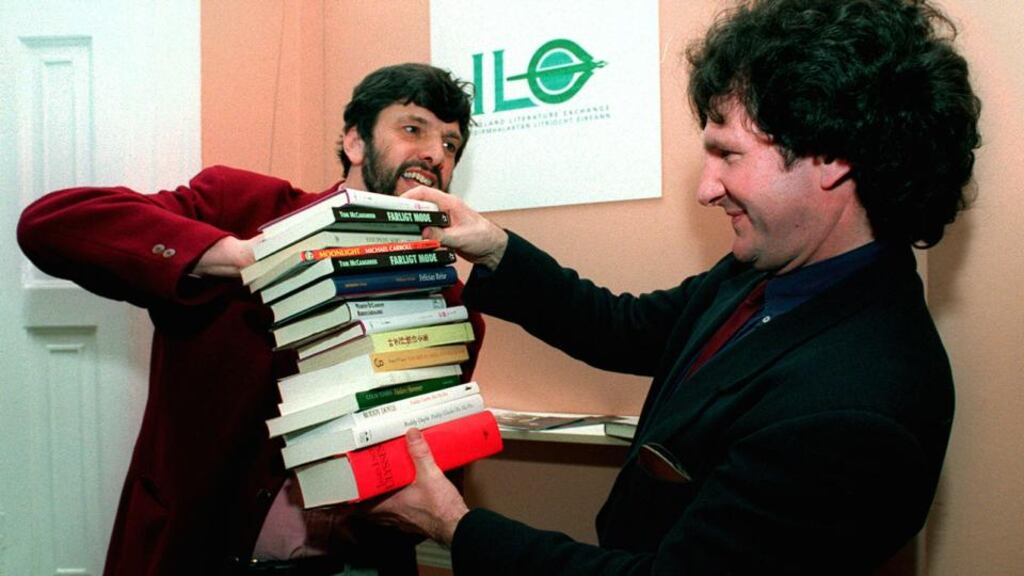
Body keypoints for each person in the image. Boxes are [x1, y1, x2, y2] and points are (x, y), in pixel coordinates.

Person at [364, 1, 982, 574]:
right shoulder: (770, 270)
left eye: (728, 155)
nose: (706, 188)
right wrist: (494, 244)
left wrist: (454, 526)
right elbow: (621, 328)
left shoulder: (857, 411)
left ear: (833, 157)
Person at [17, 63, 483, 576]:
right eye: (413, 129)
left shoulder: (449, 302)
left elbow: (429, 461)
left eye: (451, 145)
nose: (435, 154)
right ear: (354, 141)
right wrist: (238, 255)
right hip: (196, 551)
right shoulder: (243, 207)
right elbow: (48, 225)